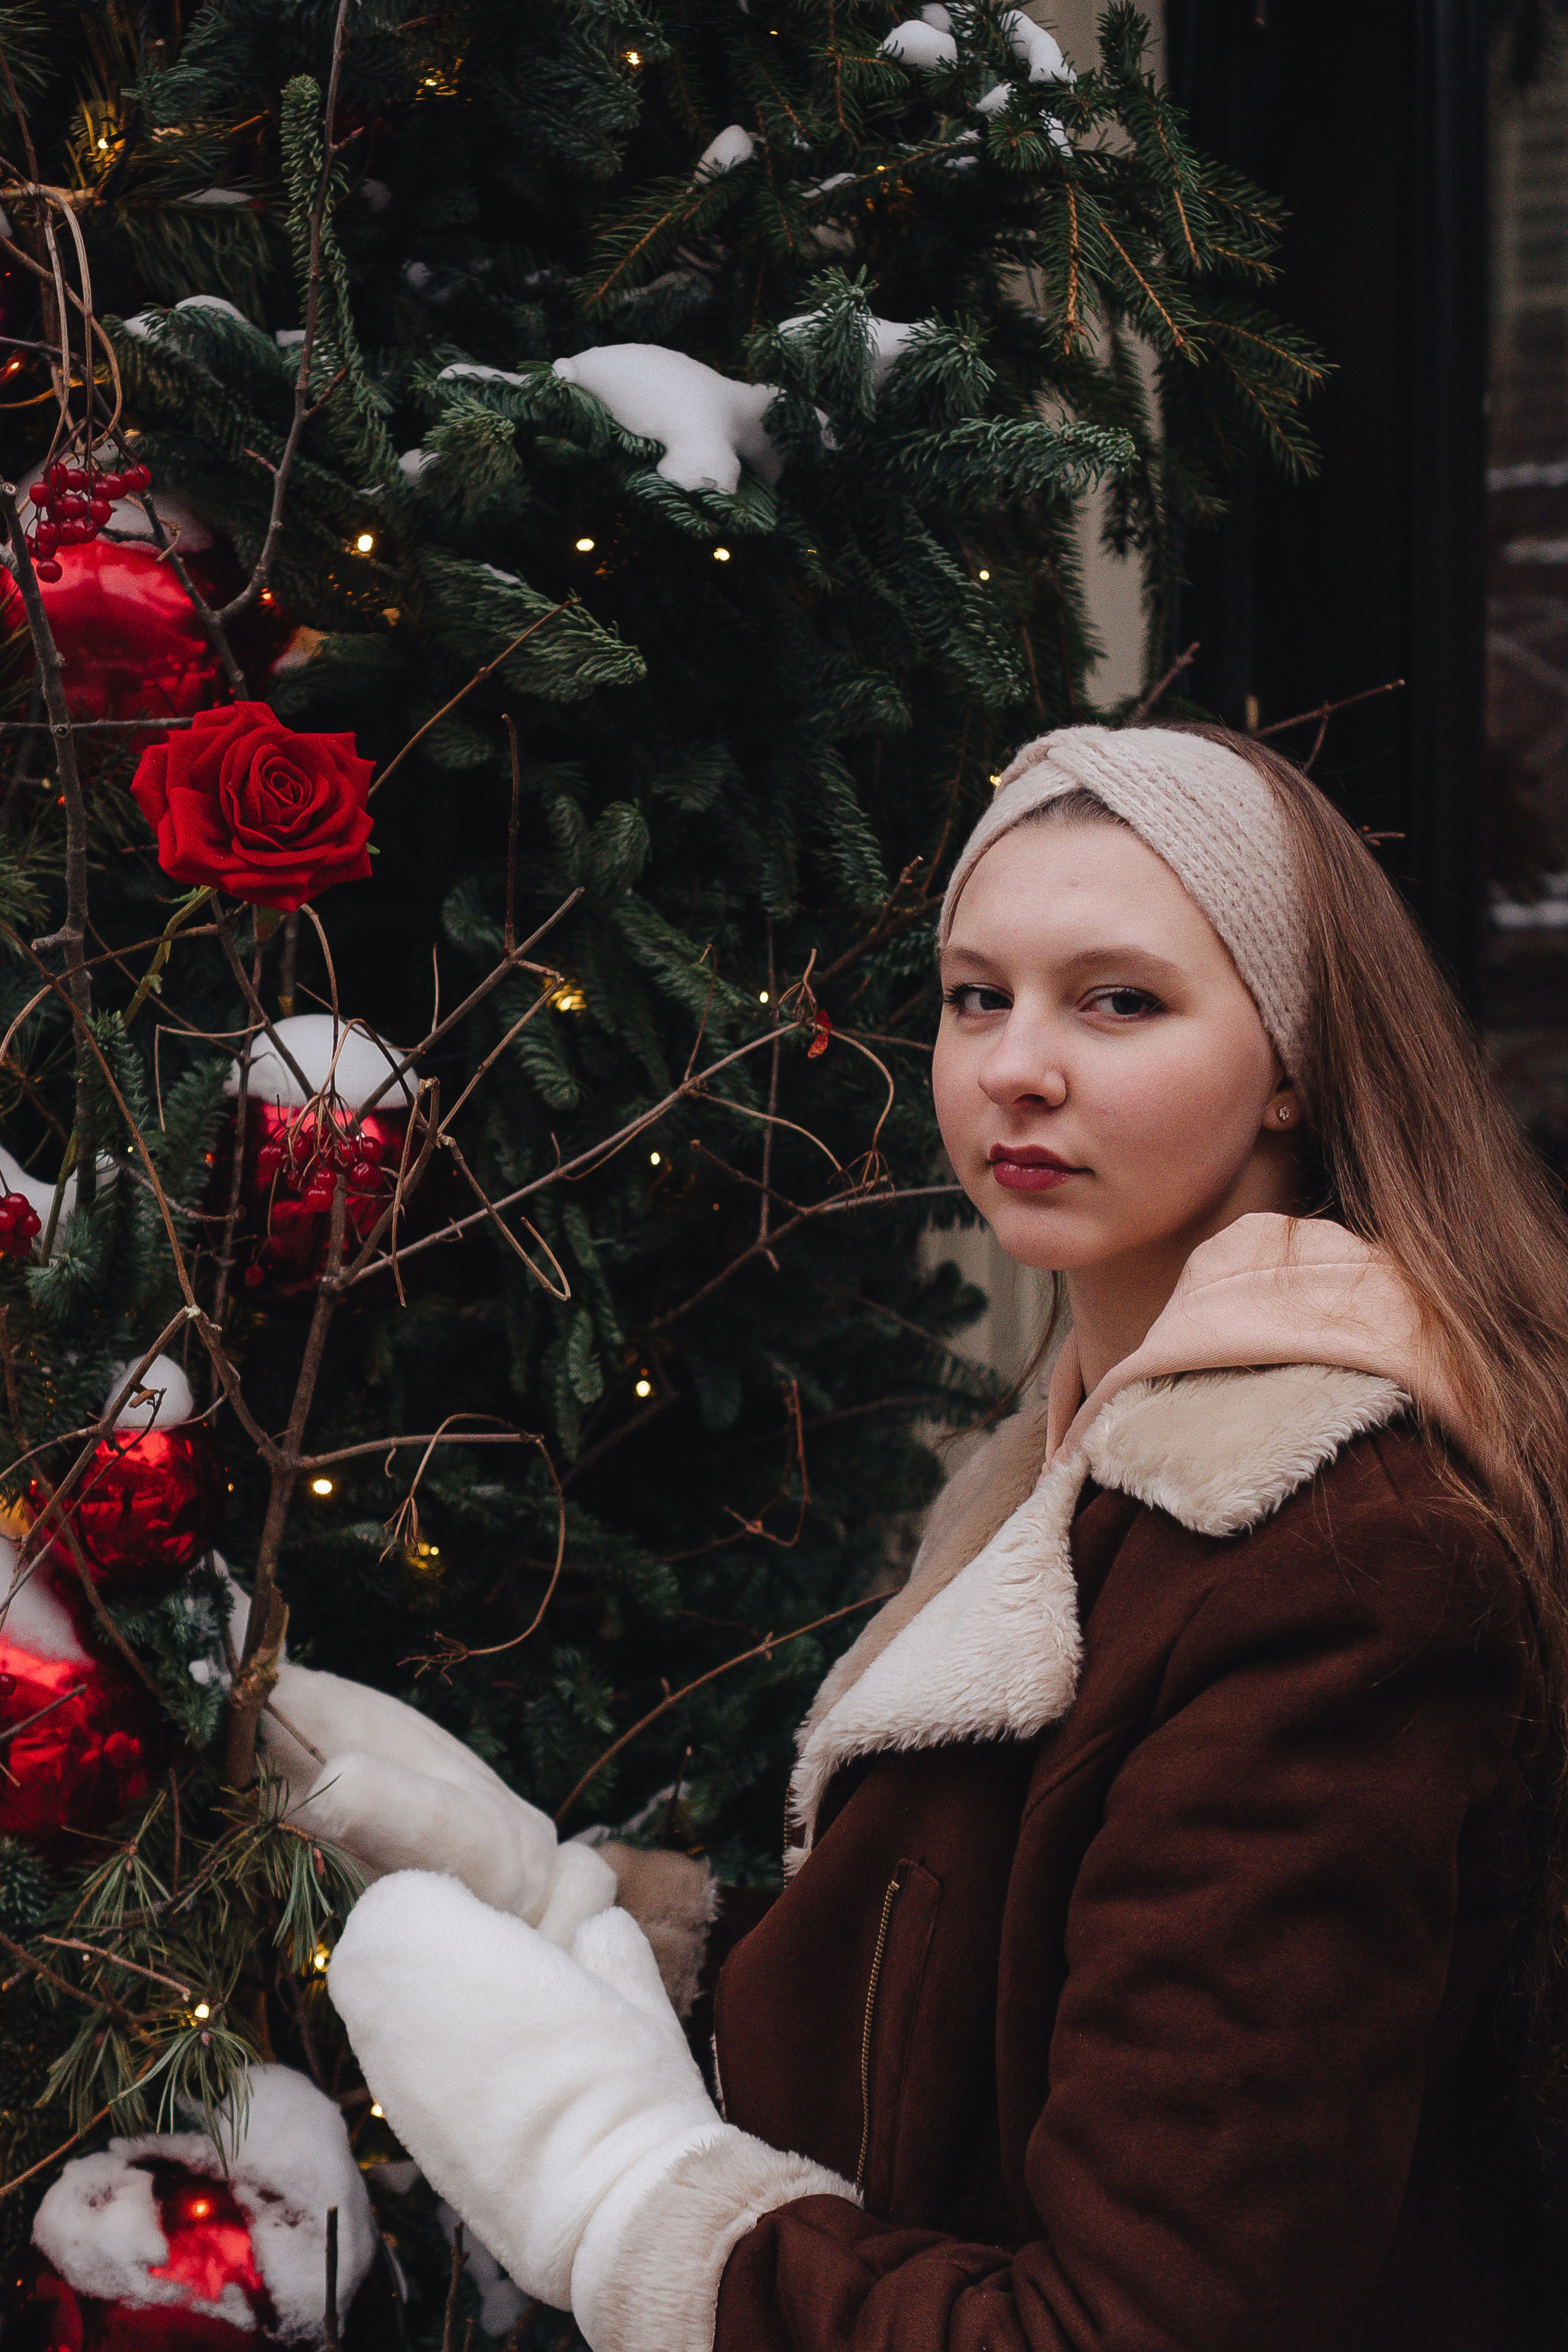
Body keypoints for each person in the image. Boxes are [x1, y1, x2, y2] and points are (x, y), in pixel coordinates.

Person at [328, 722, 1568, 2351]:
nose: (1014, 1067)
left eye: (1117, 999)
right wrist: (594, 1928)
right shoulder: (1079, 1459)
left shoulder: (1335, 1557)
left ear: (1293, 1058)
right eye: (979, 994)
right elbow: (977, 2025)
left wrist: (625, 2196)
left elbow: (1138, 2325)